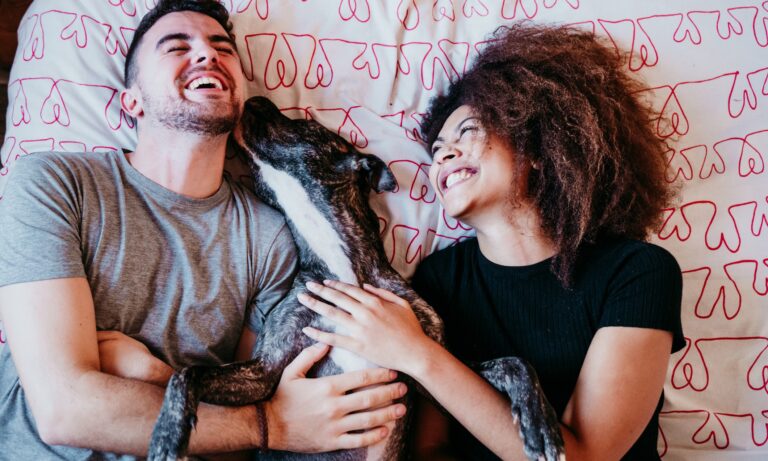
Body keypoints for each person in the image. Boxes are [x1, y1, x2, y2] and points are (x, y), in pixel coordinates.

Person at [0, 1, 406, 459]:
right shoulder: (55, 182)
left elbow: (237, 442)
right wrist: (272, 424)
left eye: (222, 48)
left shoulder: (270, 239)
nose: (207, 54)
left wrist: (153, 374)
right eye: (176, 46)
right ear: (131, 100)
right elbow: (63, 410)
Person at [298, 24, 685, 461]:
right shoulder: (440, 280)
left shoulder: (637, 271)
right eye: (437, 149)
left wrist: (416, 353)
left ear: (539, 149)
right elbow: (432, 449)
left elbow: (584, 456)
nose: (444, 155)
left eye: (468, 132)